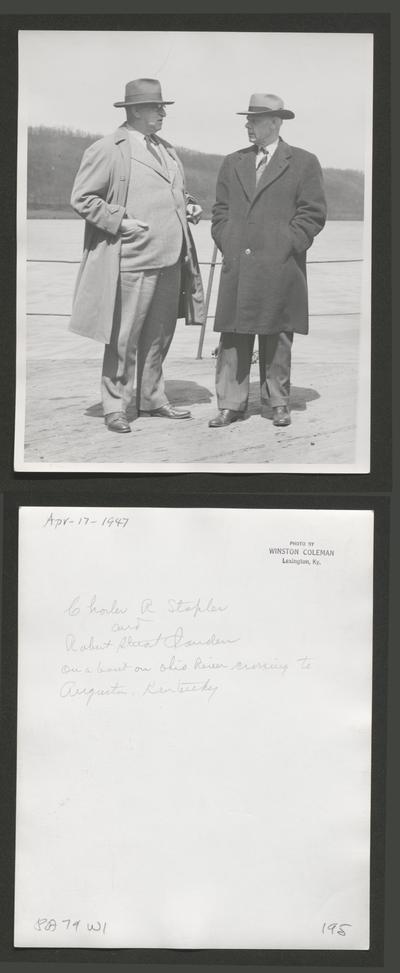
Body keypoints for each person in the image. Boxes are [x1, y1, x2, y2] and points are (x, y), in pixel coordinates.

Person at [69, 78, 205, 433]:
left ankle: (153, 398)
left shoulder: (167, 149)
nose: (162, 112)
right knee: (124, 337)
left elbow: (173, 193)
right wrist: (119, 222)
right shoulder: (107, 149)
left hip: (172, 258)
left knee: (159, 336)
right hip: (132, 257)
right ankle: (115, 405)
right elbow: (83, 198)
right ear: (134, 111)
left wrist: (189, 206)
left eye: (162, 107)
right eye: (156, 107)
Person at [209, 92, 327, 429]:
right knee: (233, 334)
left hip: (280, 265)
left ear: (275, 123)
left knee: (277, 332)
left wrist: (288, 244)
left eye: (255, 120)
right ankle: (231, 404)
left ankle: (277, 402)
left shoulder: (303, 162)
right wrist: (227, 240)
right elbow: (219, 211)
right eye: (247, 119)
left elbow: (313, 213)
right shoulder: (232, 162)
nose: (248, 125)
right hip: (239, 264)